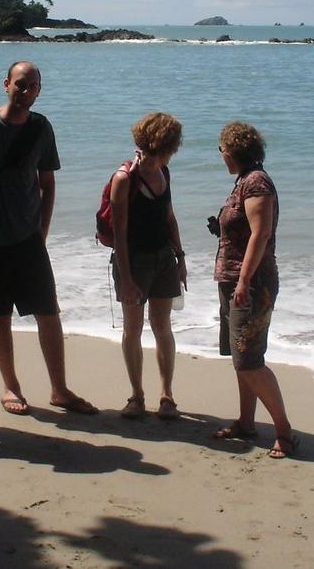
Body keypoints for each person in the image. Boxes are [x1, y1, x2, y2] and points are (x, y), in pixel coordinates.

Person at [0, 61, 97, 416]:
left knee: (48, 312)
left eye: (34, 87)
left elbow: (48, 183)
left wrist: (42, 230)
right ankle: (11, 387)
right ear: (6, 83)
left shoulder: (41, 127)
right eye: (21, 84)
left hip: (28, 237)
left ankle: (59, 389)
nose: (27, 92)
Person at [211, 121, 298, 458]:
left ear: (231, 152)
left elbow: (261, 234)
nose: (221, 157)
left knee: (249, 360)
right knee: (239, 358)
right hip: (234, 280)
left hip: (251, 284)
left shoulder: (256, 184)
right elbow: (247, 231)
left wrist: (245, 282)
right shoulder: (244, 181)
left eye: (222, 151)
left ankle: (285, 432)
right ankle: (246, 422)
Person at [110, 112, 187, 420]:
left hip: (164, 258)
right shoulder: (124, 179)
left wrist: (181, 258)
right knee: (133, 329)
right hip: (134, 260)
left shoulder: (164, 172)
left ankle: (167, 395)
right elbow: (119, 236)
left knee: (162, 326)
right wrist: (127, 279)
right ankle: (136, 396)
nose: (174, 151)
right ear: (163, 144)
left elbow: (169, 218)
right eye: (173, 145)